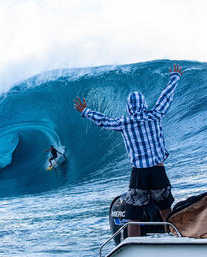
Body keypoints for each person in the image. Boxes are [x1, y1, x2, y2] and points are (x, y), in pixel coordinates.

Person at [74, 64, 183, 237]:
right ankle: (174, 239)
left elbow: (104, 121)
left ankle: (134, 247)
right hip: (158, 170)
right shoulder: (154, 116)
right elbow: (165, 97)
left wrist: (85, 110)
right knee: (165, 209)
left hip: (139, 174)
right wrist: (174, 77)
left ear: (129, 107)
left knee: (134, 216)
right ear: (143, 104)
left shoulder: (124, 123)